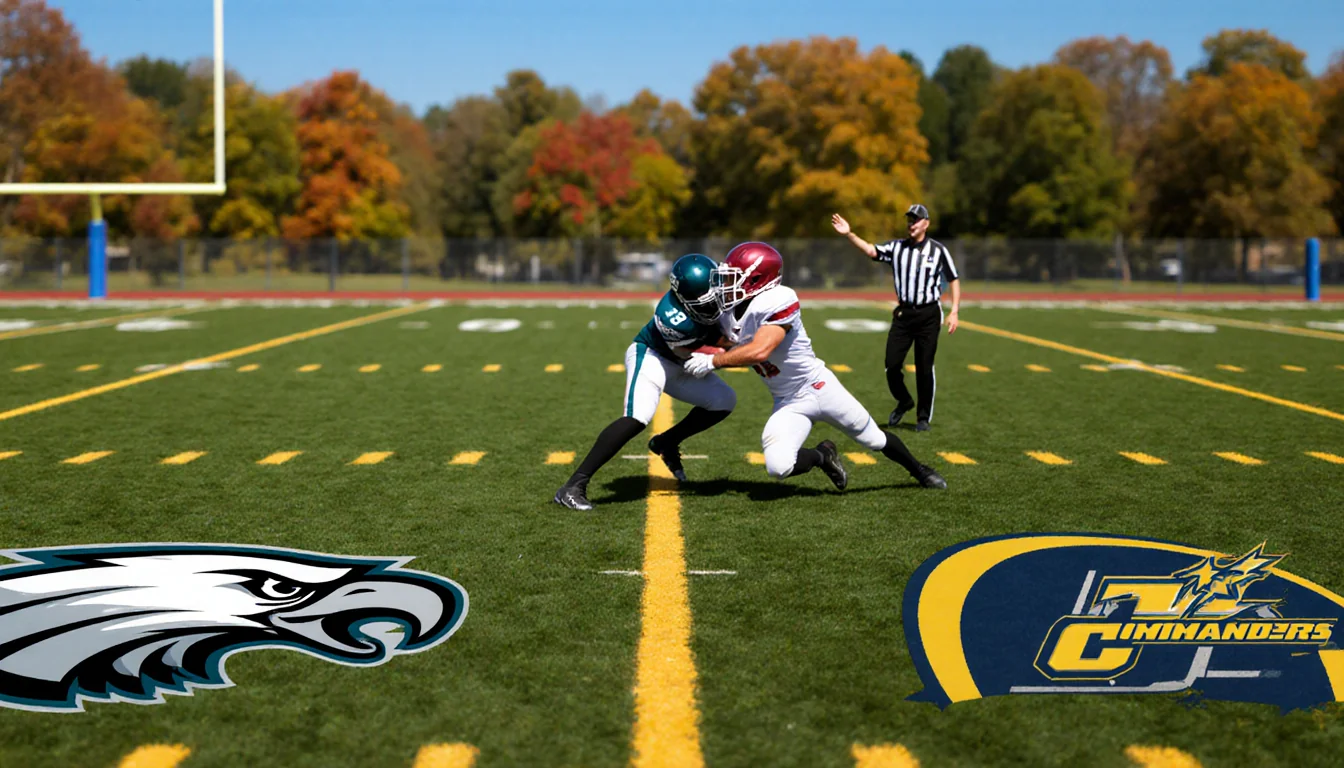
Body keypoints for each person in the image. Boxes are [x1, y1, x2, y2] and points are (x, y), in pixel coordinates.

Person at [682, 241, 946, 491]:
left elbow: (761, 350)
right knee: (778, 467)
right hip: (787, 400)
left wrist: (713, 361)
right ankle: (823, 455)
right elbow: (726, 345)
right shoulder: (728, 313)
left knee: (873, 439)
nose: (726, 284)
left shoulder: (778, 299)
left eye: (733, 277)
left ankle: (919, 471)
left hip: (818, 387)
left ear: (756, 280)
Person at [553, 253, 737, 511]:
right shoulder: (674, 318)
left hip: (681, 360)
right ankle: (573, 486)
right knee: (638, 416)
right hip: (653, 356)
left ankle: (667, 441)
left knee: (724, 400)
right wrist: (758, 348)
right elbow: (724, 347)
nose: (719, 301)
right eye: (710, 300)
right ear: (687, 300)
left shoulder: (705, 300)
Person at [831, 204, 960, 431]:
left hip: (929, 314)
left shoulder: (938, 250)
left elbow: (953, 279)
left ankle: (922, 418)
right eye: (909, 220)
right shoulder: (897, 247)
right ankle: (904, 400)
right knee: (892, 364)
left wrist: (955, 310)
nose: (912, 224)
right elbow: (872, 251)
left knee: (924, 366)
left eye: (917, 220)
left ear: (926, 224)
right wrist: (849, 234)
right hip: (903, 314)